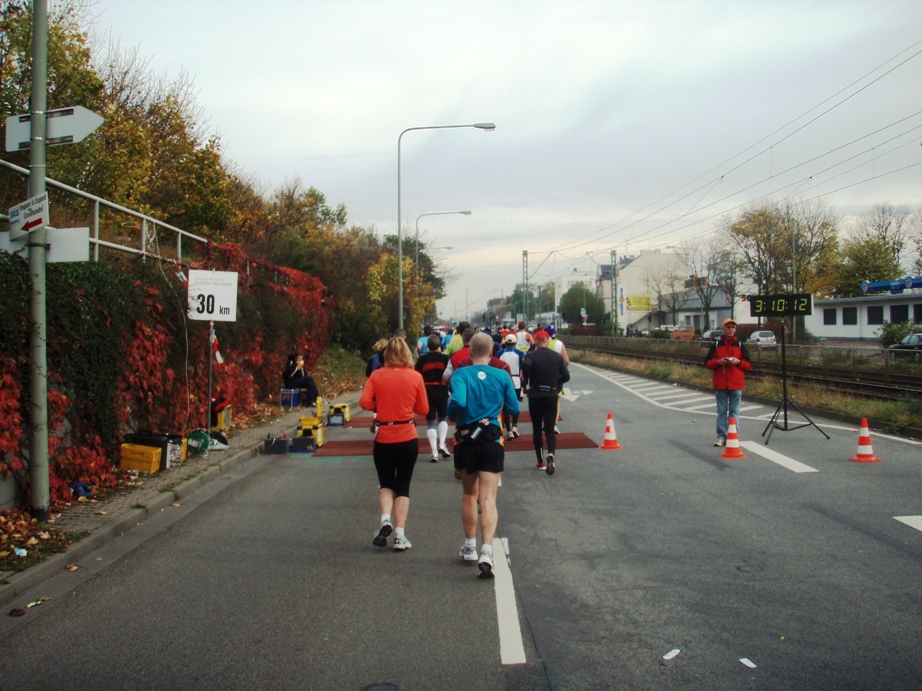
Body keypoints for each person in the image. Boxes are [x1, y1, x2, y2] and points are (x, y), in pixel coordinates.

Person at [448, 332, 519, 577]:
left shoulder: (461, 374)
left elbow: (457, 401)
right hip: (492, 440)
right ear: (491, 352)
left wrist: (453, 413)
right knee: (488, 497)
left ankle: (469, 546)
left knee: (469, 493)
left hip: (466, 439)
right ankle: (487, 549)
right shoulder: (501, 375)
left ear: (469, 352)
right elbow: (514, 407)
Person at [359, 337, 429, 550]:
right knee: (403, 485)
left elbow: (363, 402)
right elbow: (424, 410)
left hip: (384, 435)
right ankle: (400, 535)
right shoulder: (415, 377)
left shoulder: (376, 376)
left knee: (386, 483)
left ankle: (385, 520)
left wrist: (380, 404)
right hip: (407, 435)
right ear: (407, 354)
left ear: (386, 355)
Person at [521, 330, 569, 475]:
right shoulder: (556, 356)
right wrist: (556, 382)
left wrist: (527, 381)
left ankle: (540, 461)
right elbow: (566, 376)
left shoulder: (530, 355)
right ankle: (551, 454)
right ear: (547, 342)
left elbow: (526, 366)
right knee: (549, 428)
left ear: (535, 342)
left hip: (535, 394)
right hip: (551, 395)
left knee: (536, 428)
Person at [704, 318, 751, 447]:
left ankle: (733, 434)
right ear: (724, 329)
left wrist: (738, 362)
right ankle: (721, 436)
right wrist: (718, 362)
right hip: (721, 384)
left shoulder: (741, 346)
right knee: (722, 411)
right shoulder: (717, 345)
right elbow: (707, 363)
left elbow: (748, 365)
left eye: (733, 327)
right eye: (728, 327)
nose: (731, 329)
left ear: (735, 330)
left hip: (736, 384)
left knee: (734, 411)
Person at [415, 334, 452, 462]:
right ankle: (442, 443)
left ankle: (434, 452)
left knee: (430, 420)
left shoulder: (422, 360)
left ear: (427, 346)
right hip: (442, 389)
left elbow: (417, 376)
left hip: (427, 391)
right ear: (439, 346)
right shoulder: (446, 359)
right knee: (443, 417)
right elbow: (449, 375)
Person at [497, 333, 525, 438]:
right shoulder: (520, 353)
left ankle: (508, 430)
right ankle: (515, 426)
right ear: (515, 343)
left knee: (504, 406)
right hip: (516, 380)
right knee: (515, 404)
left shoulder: (499, 353)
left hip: (503, 380)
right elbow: (524, 365)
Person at [545, 324, 570, 433]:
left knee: (544, 400)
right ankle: (554, 424)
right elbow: (567, 361)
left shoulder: (543, 343)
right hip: (557, 376)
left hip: (544, 375)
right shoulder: (559, 344)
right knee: (557, 400)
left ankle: (546, 423)